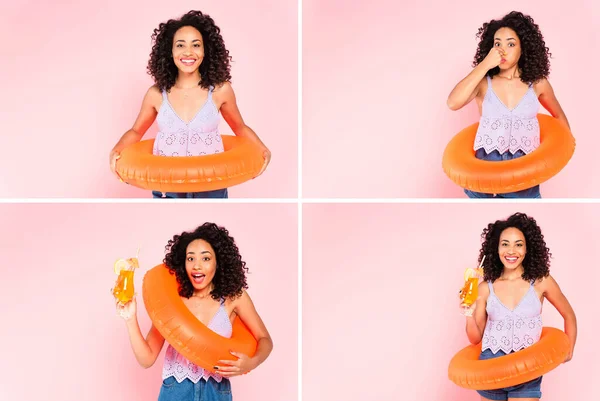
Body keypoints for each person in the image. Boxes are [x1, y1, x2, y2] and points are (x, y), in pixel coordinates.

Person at [110, 10, 271, 198]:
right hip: (167, 187)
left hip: (213, 185)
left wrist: (262, 149)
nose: (188, 52)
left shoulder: (220, 90)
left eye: (196, 45)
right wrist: (116, 151)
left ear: (205, 51)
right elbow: (136, 131)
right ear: (170, 51)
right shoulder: (156, 95)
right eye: (180, 45)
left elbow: (240, 128)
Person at [116, 223, 273, 400]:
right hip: (176, 390)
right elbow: (147, 359)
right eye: (190, 258)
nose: (197, 266)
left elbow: (265, 339)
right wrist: (130, 319)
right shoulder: (173, 302)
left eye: (205, 258)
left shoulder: (233, 297)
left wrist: (252, 362)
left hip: (216, 391)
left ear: (218, 262)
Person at [447, 11, 570, 198]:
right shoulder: (483, 82)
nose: (502, 50)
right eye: (497, 44)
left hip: (524, 173)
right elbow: (453, 103)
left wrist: (563, 149)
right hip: (484, 171)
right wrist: (484, 65)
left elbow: (559, 116)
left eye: (511, 44)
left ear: (523, 48)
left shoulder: (538, 83)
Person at [462, 212, 576, 400]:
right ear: (496, 248)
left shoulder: (541, 281)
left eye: (518, 244)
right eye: (505, 244)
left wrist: (569, 348)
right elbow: (475, 338)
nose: (511, 251)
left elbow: (569, 315)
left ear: (527, 248)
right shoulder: (484, 288)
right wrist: (468, 312)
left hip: (528, 366)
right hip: (490, 367)